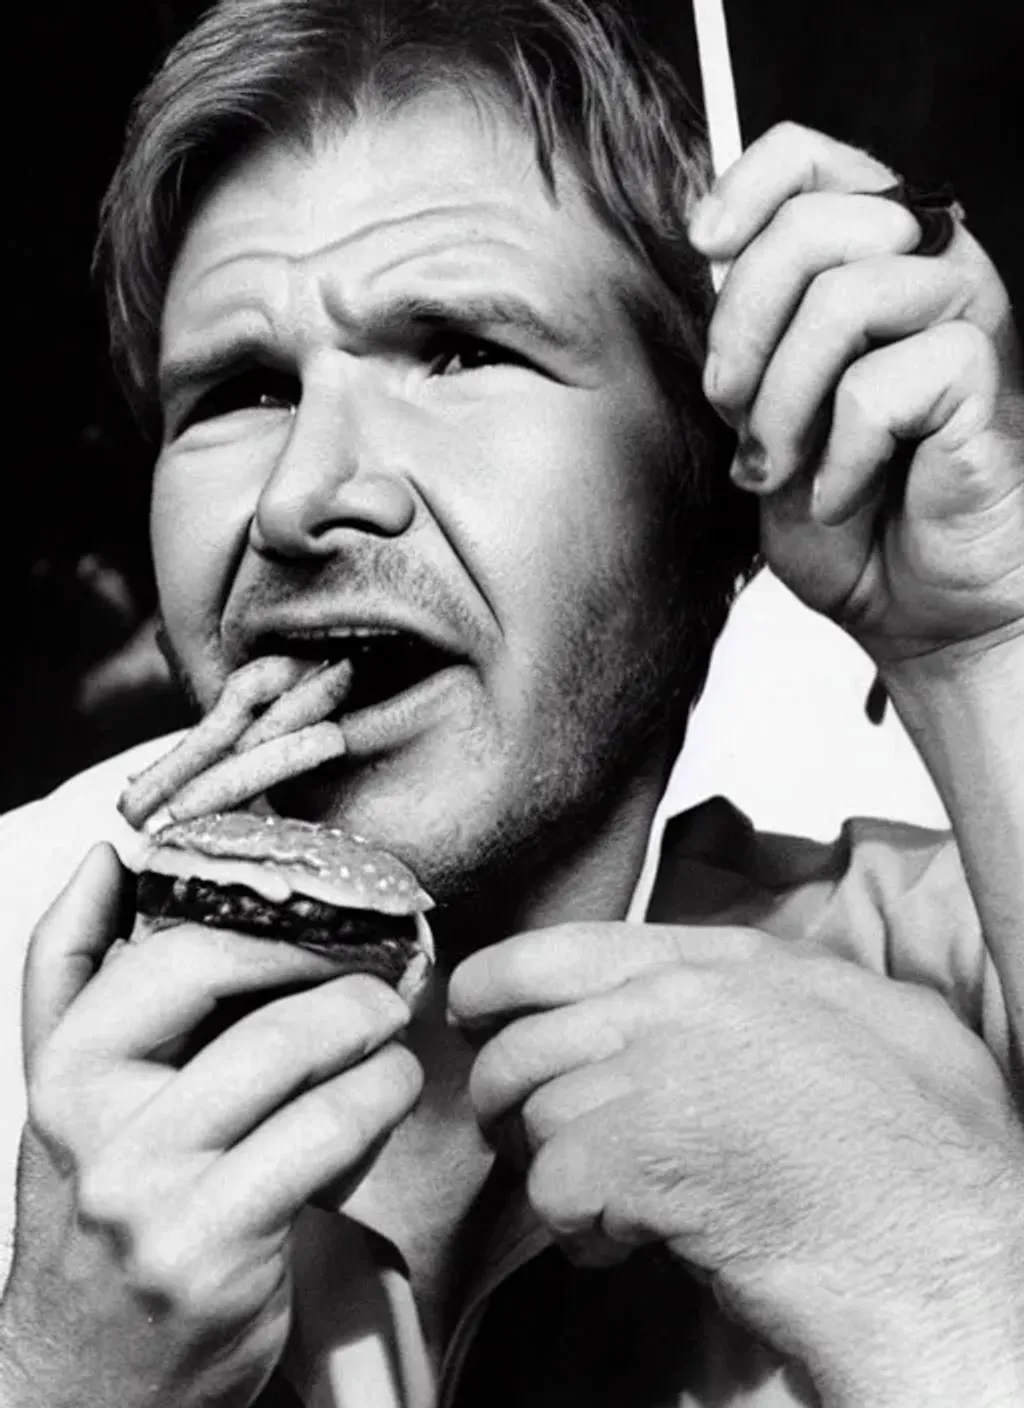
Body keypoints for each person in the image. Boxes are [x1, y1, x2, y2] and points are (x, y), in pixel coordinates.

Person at [1, 0, 1023, 1404]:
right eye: (237, 389)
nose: (303, 496)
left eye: (461, 350)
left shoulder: (950, 998)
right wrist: (62, 1377)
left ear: (715, 486)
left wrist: (958, 1279)